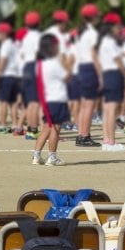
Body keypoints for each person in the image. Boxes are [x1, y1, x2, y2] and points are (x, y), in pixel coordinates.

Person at [32, 34, 72, 166]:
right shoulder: (54, 64)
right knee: (56, 127)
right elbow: (67, 77)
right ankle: (52, 157)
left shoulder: (40, 64)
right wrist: (68, 63)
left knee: (46, 128)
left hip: (47, 99)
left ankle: (36, 156)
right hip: (57, 99)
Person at [98, 12, 125, 151]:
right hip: (113, 74)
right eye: (118, 26)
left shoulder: (105, 40)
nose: (119, 29)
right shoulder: (109, 41)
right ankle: (111, 141)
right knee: (112, 109)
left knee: (107, 109)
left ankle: (107, 139)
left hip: (107, 74)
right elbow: (117, 60)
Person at [74, 4, 102, 147]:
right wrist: (101, 75)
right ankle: (85, 135)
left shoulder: (81, 33)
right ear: (93, 17)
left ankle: (81, 134)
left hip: (82, 67)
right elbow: (94, 55)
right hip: (90, 68)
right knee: (90, 105)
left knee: (84, 105)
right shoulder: (92, 33)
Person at [0, 22, 20, 134]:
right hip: (15, 76)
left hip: (6, 76)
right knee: (13, 102)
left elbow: (3, 61)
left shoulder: (5, 45)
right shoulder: (13, 44)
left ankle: (2, 125)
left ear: (4, 33)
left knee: (3, 102)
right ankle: (14, 125)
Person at [20, 10, 41, 140]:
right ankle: (33, 130)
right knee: (35, 102)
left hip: (26, 66)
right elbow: (40, 53)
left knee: (30, 101)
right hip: (35, 66)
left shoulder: (26, 37)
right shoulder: (38, 36)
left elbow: (22, 54)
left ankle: (31, 129)